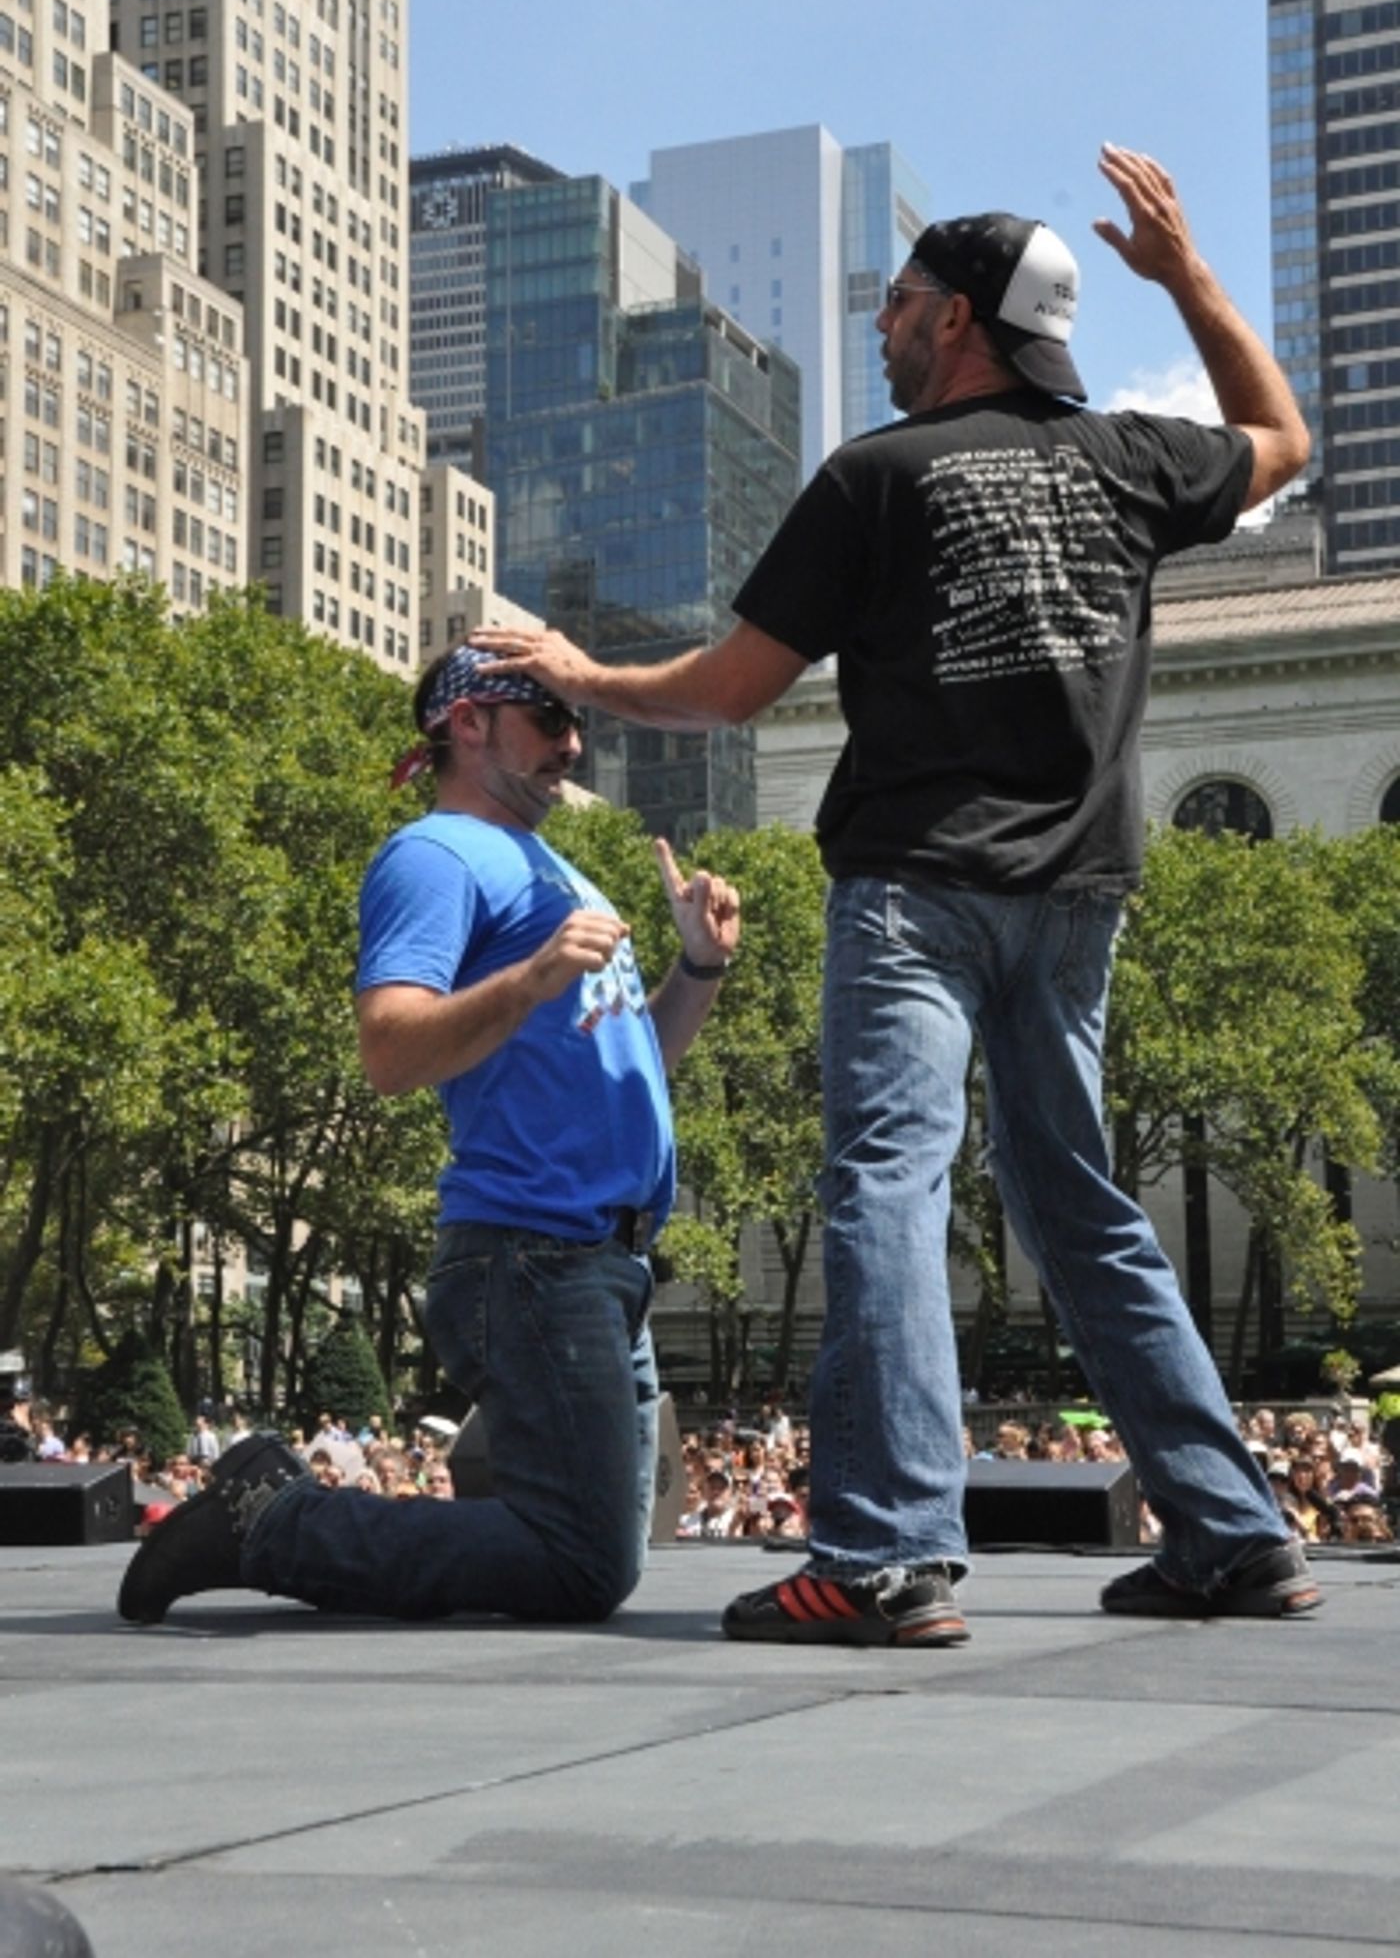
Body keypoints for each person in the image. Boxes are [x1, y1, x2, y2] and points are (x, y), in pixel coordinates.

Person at [472, 145, 1319, 1645]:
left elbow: (730, 691)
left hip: (919, 894)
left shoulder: (878, 474)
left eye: (904, 299)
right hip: (1076, 897)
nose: (883, 321)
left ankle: (880, 1551)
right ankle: (1235, 1531)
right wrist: (1182, 271)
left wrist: (579, 671)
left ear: (966, 321)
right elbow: (1279, 435)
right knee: (1081, 1204)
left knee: (883, 1184)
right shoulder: (1130, 459)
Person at [117, 643, 738, 1627]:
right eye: (547, 715)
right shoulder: (434, 855)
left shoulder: (560, 871)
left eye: (577, 718)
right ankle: (270, 1519)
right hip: (532, 1255)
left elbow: (631, 1069)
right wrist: (533, 976)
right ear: (467, 721)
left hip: (601, 1260)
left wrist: (696, 968)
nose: (571, 743)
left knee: (595, 1561)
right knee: (577, 1563)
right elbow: (391, 1049)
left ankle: (272, 1514)